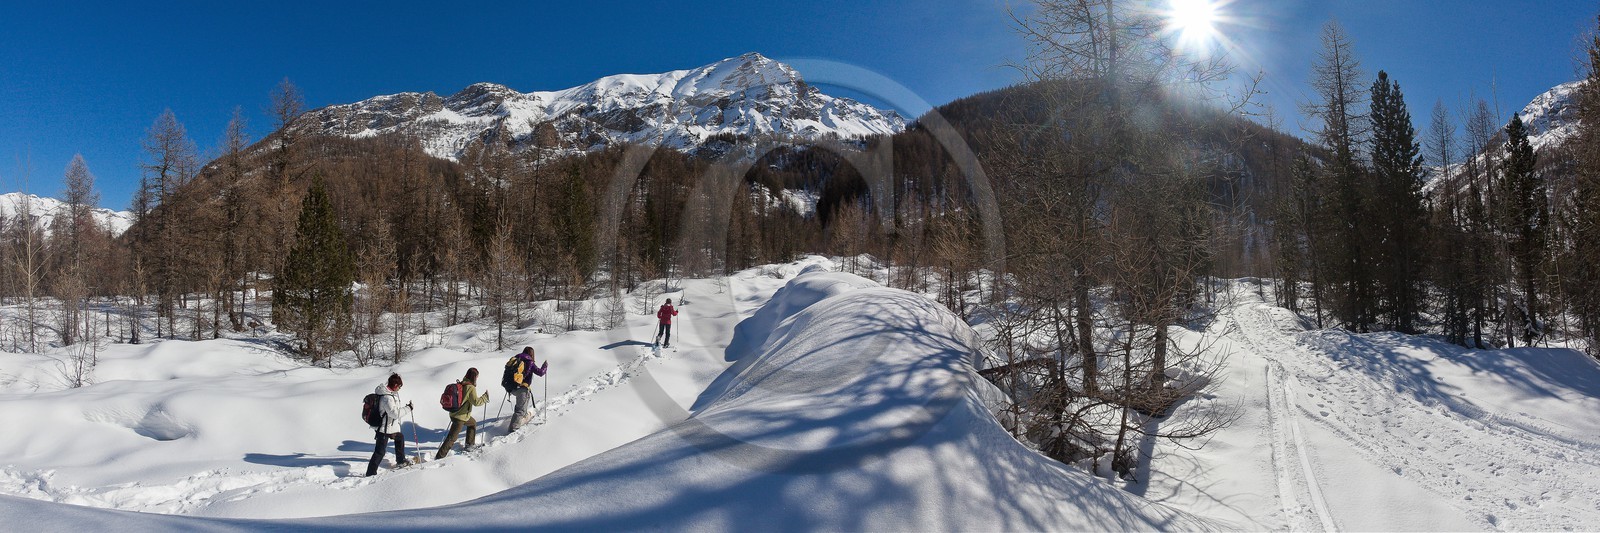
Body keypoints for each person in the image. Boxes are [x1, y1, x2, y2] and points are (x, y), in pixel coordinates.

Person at [436, 367, 490, 459]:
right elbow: (476, 402)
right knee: (451, 438)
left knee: (472, 423)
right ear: (474, 377)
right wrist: (485, 398)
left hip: (456, 414)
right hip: (460, 417)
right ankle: (440, 457)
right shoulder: (470, 387)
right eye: (477, 376)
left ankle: (470, 445)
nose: (477, 378)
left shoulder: (462, 383)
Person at [367, 373, 414, 476]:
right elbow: (395, 413)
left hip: (389, 427)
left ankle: (401, 460)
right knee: (379, 452)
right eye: (399, 386)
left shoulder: (389, 394)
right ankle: (370, 473)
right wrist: (408, 408)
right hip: (384, 429)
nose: (399, 389)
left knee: (400, 438)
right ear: (395, 385)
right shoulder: (387, 398)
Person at [504, 346, 548, 433]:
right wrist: (545, 366)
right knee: (520, 410)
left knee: (522, 404)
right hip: (522, 389)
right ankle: (513, 429)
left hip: (511, 387)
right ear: (531, 354)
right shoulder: (529, 361)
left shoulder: (516, 358)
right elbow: (540, 372)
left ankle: (522, 418)